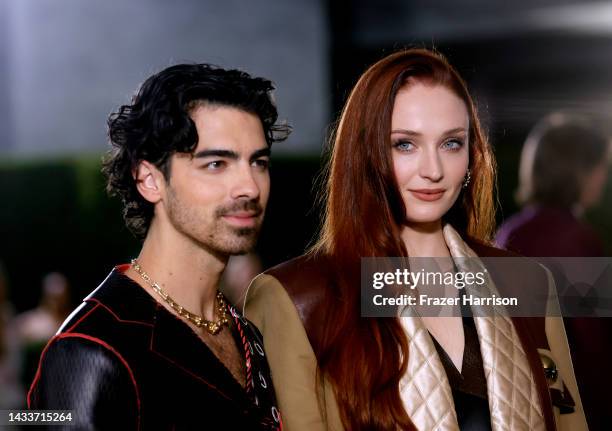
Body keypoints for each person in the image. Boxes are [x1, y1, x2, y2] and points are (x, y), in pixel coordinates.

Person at [243, 49, 587, 430]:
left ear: (472, 157)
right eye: (405, 144)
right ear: (367, 154)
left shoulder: (530, 284)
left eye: (451, 143)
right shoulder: (297, 299)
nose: (433, 170)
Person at [28, 64, 289, 430]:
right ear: (150, 180)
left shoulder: (247, 335)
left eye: (258, 162)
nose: (249, 186)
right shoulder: (87, 350)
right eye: (216, 164)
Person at [496, 113, 611, 430]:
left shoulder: (508, 233)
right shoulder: (577, 238)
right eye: (600, 166)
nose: (603, 177)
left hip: (516, 401)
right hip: (570, 407)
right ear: (580, 171)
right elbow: (594, 348)